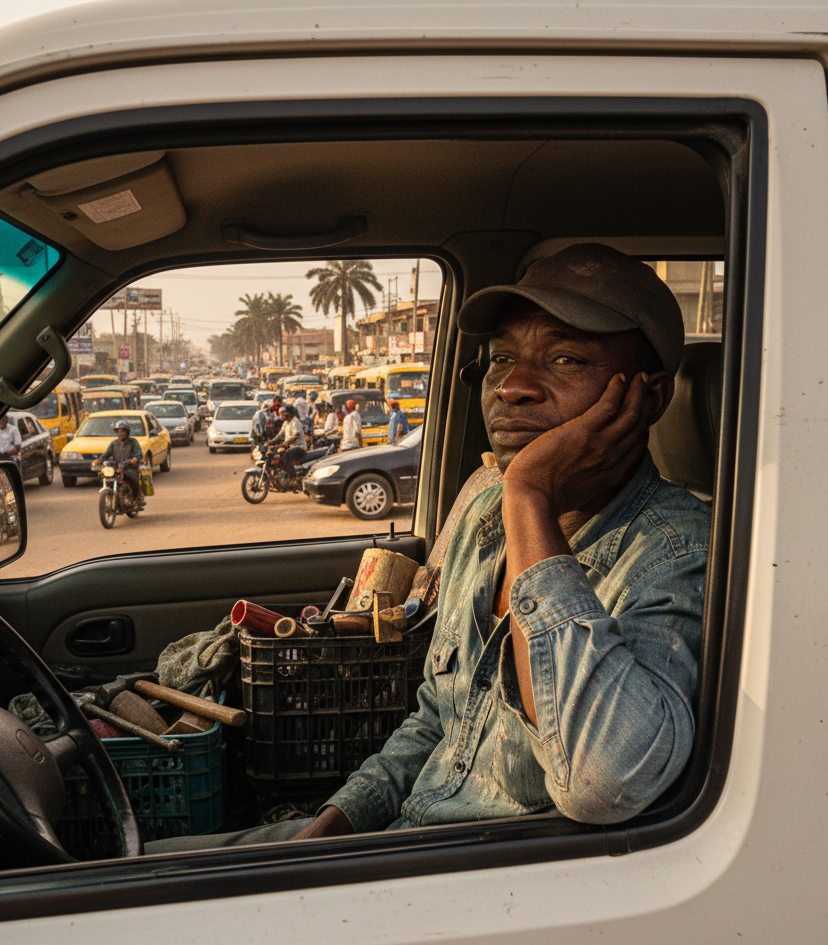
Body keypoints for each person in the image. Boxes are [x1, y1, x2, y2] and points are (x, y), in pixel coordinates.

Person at [146, 243, 710, 852]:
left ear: (647, 400)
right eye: (501, 359)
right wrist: (335, 825)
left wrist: (530, 495)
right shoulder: (483, 508)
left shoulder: (678, 553)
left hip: (491, 877)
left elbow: (604, 783)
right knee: (134, 868)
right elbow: (439, 715)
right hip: (402, 834)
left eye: (566, 359)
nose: (513, 387)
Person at [93, 419, 144, 507]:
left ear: (127, 432)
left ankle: (136, 498)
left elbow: (139, 453)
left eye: (123, 431)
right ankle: (111, 496)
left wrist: (135, 458)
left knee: (132, 477)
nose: (120, 433)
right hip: (116, 467)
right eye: (118, 431)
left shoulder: (133, 442)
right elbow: (106, 454)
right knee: (107, 478)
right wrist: (99, 461)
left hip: (129, 467)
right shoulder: (114, 444)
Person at [267, 403, 307, 476]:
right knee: (277, 454)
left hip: (299, 447)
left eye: (284, 413)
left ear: (289, 413)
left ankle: (292, 476)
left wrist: (286, 443)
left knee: (286, 455)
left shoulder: (295, 422)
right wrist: (271, 442)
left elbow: (296, 435)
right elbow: (280, 434)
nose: (282, 415)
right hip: (290, 446)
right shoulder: (286, 422)